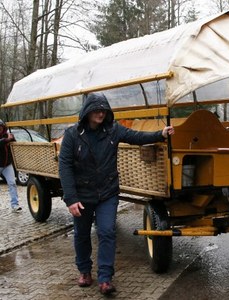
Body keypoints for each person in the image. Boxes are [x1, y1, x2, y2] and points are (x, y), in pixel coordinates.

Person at [58, 92, 174, 295]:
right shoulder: (72, 135)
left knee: (107, 232)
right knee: (82, 234)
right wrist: (71, 198)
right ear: (87, 111)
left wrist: (160, 134)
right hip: (82, 195)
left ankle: (105, 278)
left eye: (104, 109)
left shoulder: (113, 130)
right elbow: (65, 167)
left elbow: (137, 137)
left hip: (107, 192)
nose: (101, 113)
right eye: (97, 109)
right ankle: (84, 270)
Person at [0, 120, 22, 213]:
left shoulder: (7, 135)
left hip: (7, 165)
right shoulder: (5, 138)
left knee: (12, 183)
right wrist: (7, 140)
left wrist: (12, 138)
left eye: (0, 127)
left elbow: (14, 144)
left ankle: (15, 205)